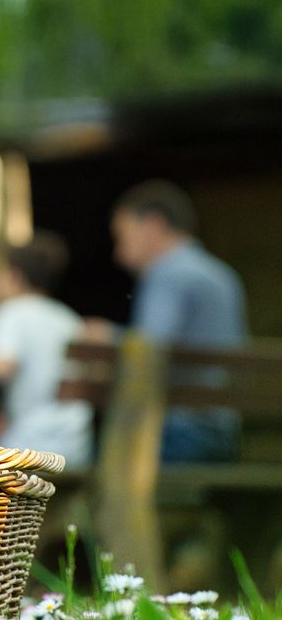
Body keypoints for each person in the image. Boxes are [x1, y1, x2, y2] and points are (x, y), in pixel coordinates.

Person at [104, 179, 248, 461]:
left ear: (154, 226)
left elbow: (148, 351)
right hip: (224, 434)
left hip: (179, 434)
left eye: (123, 237)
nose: (118, 254)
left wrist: (107, 337)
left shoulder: (167, 274)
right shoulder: (223, 275)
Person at [0, 231, 93, 466]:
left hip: (32, 445)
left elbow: (3, 366)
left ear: (16, 277)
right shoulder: (67, 318)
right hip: (76, 446)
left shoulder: (12, 311)